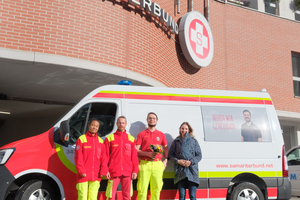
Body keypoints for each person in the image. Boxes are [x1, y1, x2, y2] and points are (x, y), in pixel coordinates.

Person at [104, 116, 139, 200]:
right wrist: (105, 170)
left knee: (127, 196)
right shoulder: (109, 138)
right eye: (119, 122)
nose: (121, 124)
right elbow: (104, 156)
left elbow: (134, 157)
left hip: (127, 172)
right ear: (116, 124)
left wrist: (135, 171)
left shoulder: (131, 139)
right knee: (110, 196)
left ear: (126, 124)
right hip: (113, 171)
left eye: (123, 123)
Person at [136, 112, 169, 200]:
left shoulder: (161, 134)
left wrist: (165, 161)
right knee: (142, 190)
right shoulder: (141, 134)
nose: (152, 120)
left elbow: (166, 149)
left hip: (158, 164)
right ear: (147, 120)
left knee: (156, 190)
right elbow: (136, 150)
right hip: (144, 164)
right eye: (150, 118)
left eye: (154, 118)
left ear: (156, 120)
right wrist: (148, 154)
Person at [75, 118, 108, 200]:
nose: (94, 127)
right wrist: (81, 171)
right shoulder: (82, 139)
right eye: (93, 125)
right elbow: (78, 157)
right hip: (83, 175)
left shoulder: (100, 141)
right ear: (89, 126)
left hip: (96, 175)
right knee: (82, 197)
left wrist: (103, 171)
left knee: (93, 197)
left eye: (96, 126)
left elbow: (104, 158)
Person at [168, 122, 202, 200]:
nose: (184, 130)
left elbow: (199, 155)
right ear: (180, 129)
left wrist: (190, 162)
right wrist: (178, 161)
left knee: (192, 195)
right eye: (182, 128)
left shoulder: (194, 141)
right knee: (182, 195)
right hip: (180, 171)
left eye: (186, 128)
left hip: (192, 171)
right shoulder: (176, 142)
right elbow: (170, 155)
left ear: (189, 130)